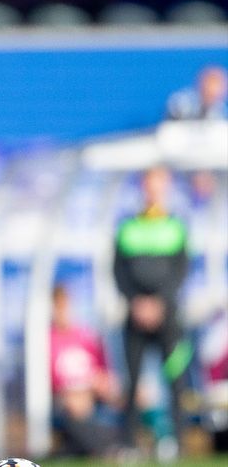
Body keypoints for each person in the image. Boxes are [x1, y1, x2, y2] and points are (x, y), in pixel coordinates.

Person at [113, 166, 190, 457]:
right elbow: (118, 271)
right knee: (132, 381)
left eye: (159, 186)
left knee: (175, 379)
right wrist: (136, 302)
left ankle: (175, 441)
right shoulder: (128, 226)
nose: (154, 191)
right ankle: (131, 443)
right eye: (149, 185)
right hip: (135, 316)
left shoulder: (176, 226)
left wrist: (159, 303)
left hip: (168, 317)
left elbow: (180, 272)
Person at [48, 285, 121, 458]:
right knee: (74, 406)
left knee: (137, 395)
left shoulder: (88, 337)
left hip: (94, 397)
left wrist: (102, 386)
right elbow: (51, 383)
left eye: (66, 306)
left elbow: (104, 374)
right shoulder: (47, 340)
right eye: (59, 307)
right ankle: (110, 449)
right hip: (65, 402)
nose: (63, 312)